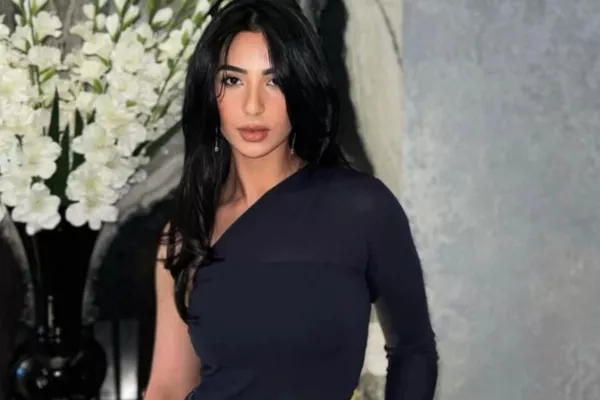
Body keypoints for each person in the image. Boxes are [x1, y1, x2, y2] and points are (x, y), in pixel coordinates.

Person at [143, 0, 438, 399]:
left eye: (274, 81)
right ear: (210, 92)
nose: (253, 106)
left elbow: (413, 350)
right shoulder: (187, 232)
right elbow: (167, 388)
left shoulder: (361, 208)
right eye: (233, 80)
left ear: (300, 88)